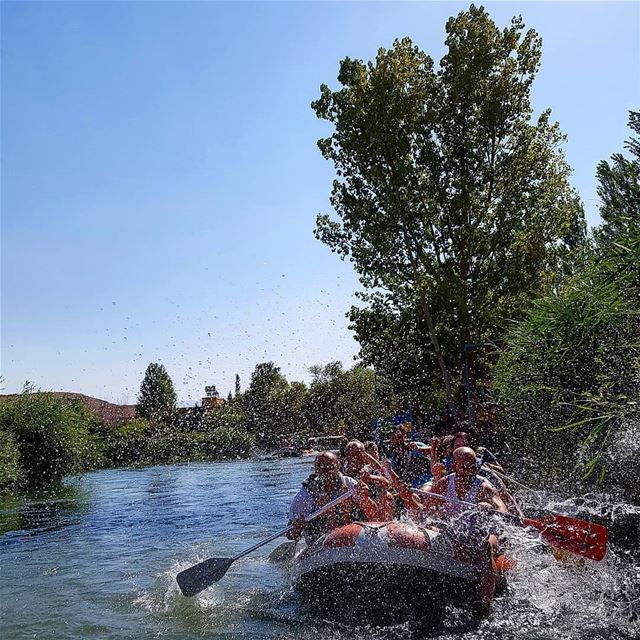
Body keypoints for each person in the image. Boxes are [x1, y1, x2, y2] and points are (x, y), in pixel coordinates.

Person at [421, 447, 507, 611]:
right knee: (432, 529)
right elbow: (426, 510)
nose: (466, 469)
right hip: (456, 530)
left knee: (484, 544)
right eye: (461, 465)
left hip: (484, 530)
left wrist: (489, 506)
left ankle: (484, 601)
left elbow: (501, 508)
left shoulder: (484, 486)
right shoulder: (445, 483)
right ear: (453, 466)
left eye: (470, 465)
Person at [287, 451, 375, 543]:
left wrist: (365, 499)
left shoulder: (350, 484)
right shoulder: (305, 495)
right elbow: (290, 535)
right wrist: (298, 527)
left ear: (338, 466)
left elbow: (373, 515)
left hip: (351, 536)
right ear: (316, 470)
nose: (326, 472)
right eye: (321, 468)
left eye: (330, 467)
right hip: (321, 543)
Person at [343, 440, 395, 520]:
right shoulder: (341, 473)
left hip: (372, 506)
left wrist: (369, 477)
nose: (354, 457)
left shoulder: (369, 469)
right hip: (352, 508)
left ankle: (384, 526)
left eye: (357, 453)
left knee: (387, 496)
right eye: (351, 454)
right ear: (346, 456)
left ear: (364, 456)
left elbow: (387, 484)